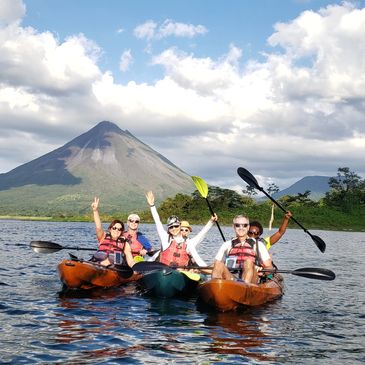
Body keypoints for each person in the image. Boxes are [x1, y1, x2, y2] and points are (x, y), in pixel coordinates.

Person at [145, 191, 216, 268]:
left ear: (179, 226)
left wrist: (211, 222)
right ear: (168, 229)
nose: (174, 229)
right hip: (164, 271)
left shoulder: (189, 242)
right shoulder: (165, 238)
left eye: (176, 226)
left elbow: (201, 234)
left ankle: (208, 270)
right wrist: (152, 206)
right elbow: (157, 221)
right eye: (171, 227)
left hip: (181, 273)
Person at [211, 215, 274, 284]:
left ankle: (244, 286)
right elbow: (215, 266)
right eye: (237, 225)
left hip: (252, 279)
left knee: (248, 261)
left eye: (244, 225)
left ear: (248, 227)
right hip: (231, 277)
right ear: (233, 227)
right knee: (218, 263)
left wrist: (263, 271)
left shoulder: (258, 245)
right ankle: (216, 286)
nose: (241, 228)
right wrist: (199, 269)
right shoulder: (227, 244)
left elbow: (269, 267)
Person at [91, 197, 135, 268]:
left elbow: (130, 259)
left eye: (119, 229)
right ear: (110, 229)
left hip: (114, 268)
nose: (116, 230)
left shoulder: (125, 243)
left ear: (121, 231)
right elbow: (98, 227)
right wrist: (95, 211)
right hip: (97, 263)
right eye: (114, 228)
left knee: (117, 258)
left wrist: (134, 266)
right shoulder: (103, 237)